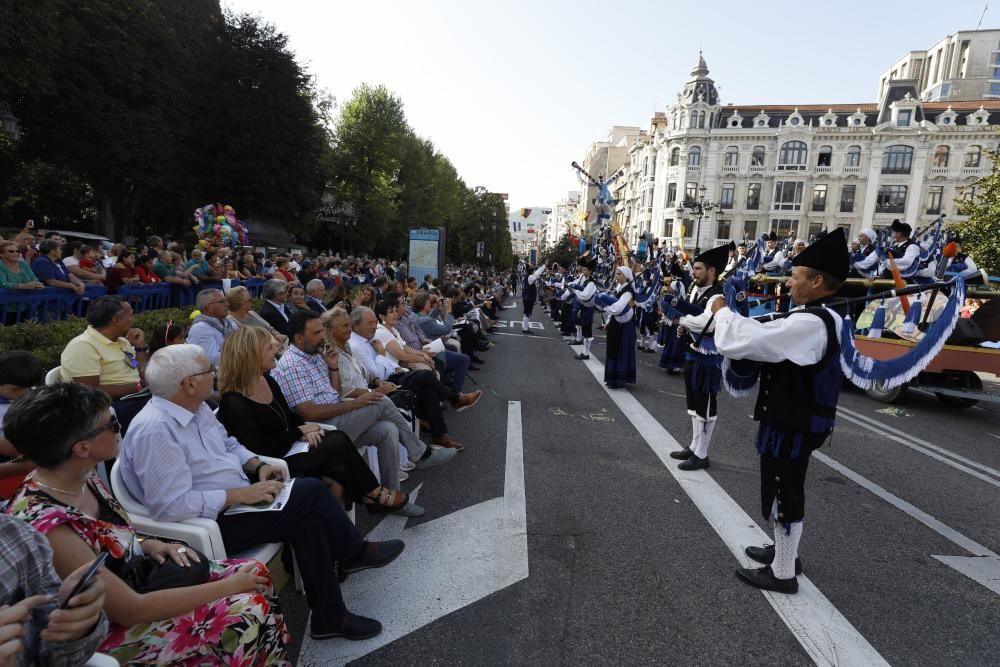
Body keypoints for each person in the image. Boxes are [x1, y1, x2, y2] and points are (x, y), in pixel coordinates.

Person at [120, 344, 403, 640]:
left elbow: (228, 444)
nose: (214, 375)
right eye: (208, 371)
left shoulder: (196, 406)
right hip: (209, 523)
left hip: (237, 498)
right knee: (310, 491)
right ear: (188, 383)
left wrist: (256, 465)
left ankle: (330, 617)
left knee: (309, 518)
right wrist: (239, 496)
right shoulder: (155, 431)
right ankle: (353, 553)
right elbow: (170, 507)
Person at [3, 382, 292, 664]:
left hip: (139, 576)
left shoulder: (81, 475)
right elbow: (129, 610)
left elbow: (107, 538)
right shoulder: (50, 526)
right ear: (81, 448)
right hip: (107, 630)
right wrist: (229, 588)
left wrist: (148, 543)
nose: (121, 430)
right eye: (112, 425)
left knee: (255, 571)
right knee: (247, 608)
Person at [711, 228, 850, 594]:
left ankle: (783, 572)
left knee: (783, 487)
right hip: (796, 419)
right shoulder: (821, 317)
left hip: (792, 421)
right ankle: (783, 553)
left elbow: (749, 342)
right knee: (783, 485)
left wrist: (722, 312)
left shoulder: (810, 322)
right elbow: (777, 332)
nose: (788, 283)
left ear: (818, 281)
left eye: (796, 276)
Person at [272, 311, 447, 514]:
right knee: (380, 402)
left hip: (336, 419)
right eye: (317, 332)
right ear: (299, 338)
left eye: (322, 330)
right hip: (320, 431)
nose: (322, 335)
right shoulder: (292, 365)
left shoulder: (314, 356)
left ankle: (391, 498)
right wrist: (358, 403)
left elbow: (334, 393)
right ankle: (419, 452)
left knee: (388, 430)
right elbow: (309, 413)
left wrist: (333, 368)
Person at [218, 326, 407, 512]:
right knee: (337, 441)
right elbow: (260, 449)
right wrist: (300, 431)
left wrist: (304, 430)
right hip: (272, 465)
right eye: (269, 348)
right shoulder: (234, 403)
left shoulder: (266, 380)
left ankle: (350, 520)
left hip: (291, 449)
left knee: (338, 466)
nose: (276, 350)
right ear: (250, 357)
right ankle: (373, 493)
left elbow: (290, 417)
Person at [330, 306, 477, 451]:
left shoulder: (364, 340)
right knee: (425, 376)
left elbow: (376, 372)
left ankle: (439, 436)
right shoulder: (355, 345)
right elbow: (375, 373)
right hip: (380, 385)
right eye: (370, 323)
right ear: (356, 325)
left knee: (427, 389)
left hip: (387, 378)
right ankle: (454, 399)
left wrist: (384, 372)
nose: (374, 326)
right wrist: (381, 354)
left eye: (375, 322)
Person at [0, 514, 109, 667]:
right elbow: (130, 611)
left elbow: (56, 658)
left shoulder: (19, 537)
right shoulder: (49, 522)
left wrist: (77, 624)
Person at [669, 242, 732, 471]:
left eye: (697, 268)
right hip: (692, 352)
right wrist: (683, 328)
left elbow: (709, 322)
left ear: (711, 271)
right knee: (694, 402)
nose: (692, 272)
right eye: (693, 268)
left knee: (706, 404)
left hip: (709, 357)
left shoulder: (719, 296)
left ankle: (702, 454)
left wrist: (681, 321)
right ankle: (695, 446)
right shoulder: (696, 290)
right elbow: (692, 318)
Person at [59, 296, 147, 400]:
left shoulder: (122, 341)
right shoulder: (83, 346)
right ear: (116, 320)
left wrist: (140, 348)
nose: (134, 319)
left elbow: (134, 366)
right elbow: (89, 391)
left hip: (136, 396)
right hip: (111, 405)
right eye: (131, 315)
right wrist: (139, 386)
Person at [0, 351, 42, 498]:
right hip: (14, 458)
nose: (23, 394)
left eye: (28, 388)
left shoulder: (32, 396)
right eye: (16, 389)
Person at [600, 266, 637, 388]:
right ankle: (613, 378)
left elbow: (618, 308)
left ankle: (619, 379)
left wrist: (603, 306)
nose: (616, 275)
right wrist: (609, 321)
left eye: (619, 273)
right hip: (616, 323)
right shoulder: (619, 288)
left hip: (624, 326)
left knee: (621, 350)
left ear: (625, 276)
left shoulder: (628, 291)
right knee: (613, 349)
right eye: (616, 273)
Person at [186, 288, 232, 366]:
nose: (227, 304)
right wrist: (242, 353)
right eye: (222, 302)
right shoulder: (200, 328)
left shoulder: (228, 322)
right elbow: (211, 360)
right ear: (208, 307)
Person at [570, 256, 598, 360]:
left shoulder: (591, 283)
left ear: (590, 271)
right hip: (584, 307)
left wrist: (575, 291)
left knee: (587, 330)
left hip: (589, 308)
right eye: (583, 269)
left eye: (585, 269)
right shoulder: (586, 281)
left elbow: (585, 296)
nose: (583, 271)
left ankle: (586, 353)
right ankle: (585, 352)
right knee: (585, 329)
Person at [521, 263, 546, 334]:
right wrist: (544, 266)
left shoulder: (527, 277)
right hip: (528, 298)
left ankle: (525, 327)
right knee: (527, 313)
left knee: (526, 313)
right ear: (532, 272)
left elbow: (537, 273)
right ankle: (525, 328)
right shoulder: (530, 277)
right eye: (533, 271)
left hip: (526, 297)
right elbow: (537, 274)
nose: (534, 272)